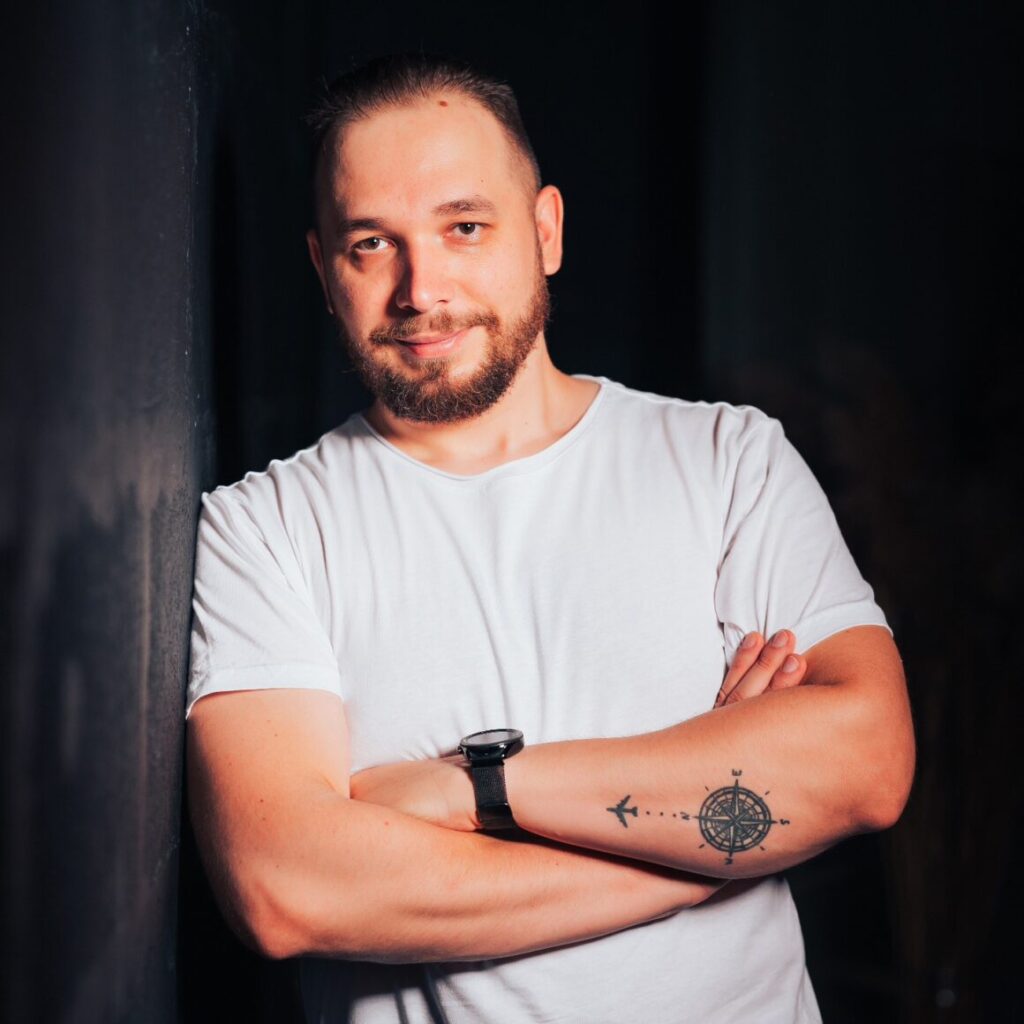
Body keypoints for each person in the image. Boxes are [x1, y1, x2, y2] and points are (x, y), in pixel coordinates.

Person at [184, 51, 915, 1024]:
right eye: (372, 244)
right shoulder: (263, 529)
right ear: (324, 269)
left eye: (464, 226)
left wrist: (473, 789)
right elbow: (288, 886)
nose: (420, 289)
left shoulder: (726, 459)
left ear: (545, 231)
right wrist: (706, 855)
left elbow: (865, 765)